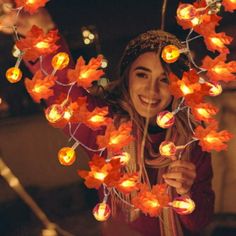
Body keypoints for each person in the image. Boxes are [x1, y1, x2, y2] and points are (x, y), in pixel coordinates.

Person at [0, 3, 215, 236]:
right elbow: (66, 97)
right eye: (142, 74)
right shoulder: (105, 128)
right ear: (127, 78)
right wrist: (44, 34)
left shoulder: (191, 142)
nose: (152, 89)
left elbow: (199, 222)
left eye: (164, 79)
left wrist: (187, 192)